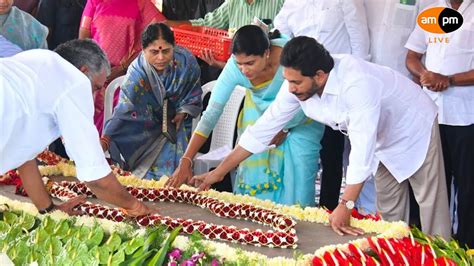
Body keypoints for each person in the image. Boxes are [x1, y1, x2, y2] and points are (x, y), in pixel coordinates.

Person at [191, 36, 451, 240]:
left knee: (431, 206)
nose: (290, 89)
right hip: (382, 139)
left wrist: (346, 204)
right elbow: (263, 129)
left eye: (296, 83)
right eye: (288, 82)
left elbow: (361, 149)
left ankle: (443, 257)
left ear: (319, 76)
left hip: (413, 127)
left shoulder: (357, 84)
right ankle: (399, 257)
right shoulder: (296, 83)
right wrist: (218, 172)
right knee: (390, 213)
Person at [167, 26, 324, 207]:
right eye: (239, 63)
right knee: (254, 174)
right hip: (259, 115)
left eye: (250, 63)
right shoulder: (235, 67)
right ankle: (257, 232)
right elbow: (211, 114)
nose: (244, 70)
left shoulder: (289, 59)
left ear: (266, 53)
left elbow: (309, 94)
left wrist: (286, 127)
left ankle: (298, 230)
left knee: (300, 178)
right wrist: (186, 160)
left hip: (302, 117)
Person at [0, 39, 154, 216]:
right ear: (83, 71)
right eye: (96, 87)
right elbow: (96, 177)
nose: (96, 96)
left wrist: (50, 210)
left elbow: (24, 155)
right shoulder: (74, 81)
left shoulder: (35, 62)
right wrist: (136, 207)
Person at [274, 0, 371, 211]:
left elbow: (359, 41)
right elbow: (279, 33)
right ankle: (301, 207)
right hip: (302, 87)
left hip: (334, 87)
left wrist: (356, 80)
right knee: (303, 152)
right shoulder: (292, 2)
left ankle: (329, 208)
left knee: (332, 154)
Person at [405, 0, 474, 247]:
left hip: (466, 115)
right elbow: (412, 56)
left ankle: (467, 246)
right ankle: (433, 242)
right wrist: (424, 74)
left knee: (468, 186)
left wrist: (449, 79)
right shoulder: (430, 11)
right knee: (433, 183)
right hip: (429, 114)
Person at [101, 23, 202, 180]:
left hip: (177, 124)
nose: (161, 58)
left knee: (172, 174)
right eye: (154, 52)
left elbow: (193, 92)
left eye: (166, 51)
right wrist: (106, 138)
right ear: (143, 50)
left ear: (174, 46)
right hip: (145, 127)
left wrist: (183, 111)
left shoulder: (186, 62)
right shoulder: (137, 73)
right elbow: (124, 110)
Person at [78, 0, 166, 135]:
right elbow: (84, 33)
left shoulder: (140, 3)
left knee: (113, 132)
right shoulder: (94, 2)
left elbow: (160, 33)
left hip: (123, 79)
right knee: (86, 131)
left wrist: (122, 68)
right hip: (93, 76)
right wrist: (93, 65)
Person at [166, 0, 285, 69]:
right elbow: (208, 23)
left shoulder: (280, 3)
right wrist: (170, 25)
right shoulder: (233, 2)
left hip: (270, 75)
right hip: (235, 70)